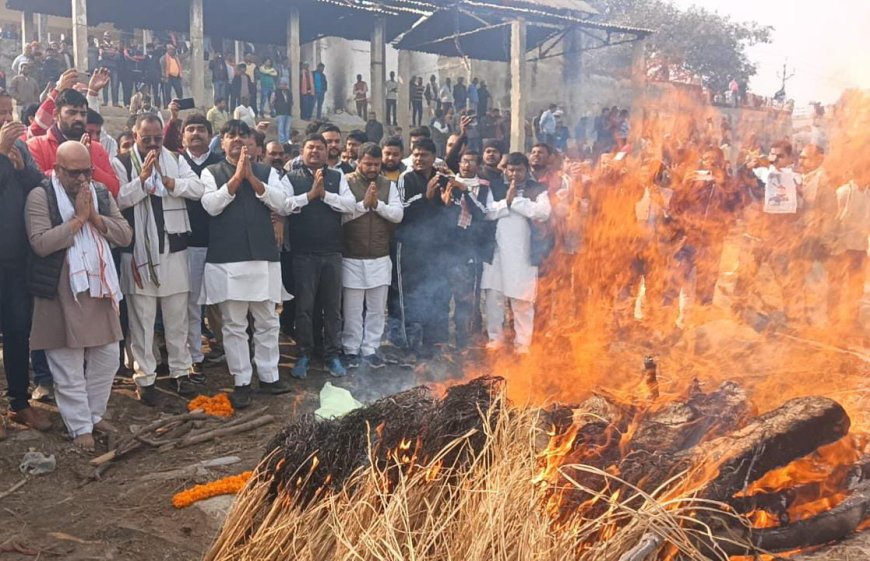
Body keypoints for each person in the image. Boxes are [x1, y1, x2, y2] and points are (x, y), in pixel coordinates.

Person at [25, 142, 132, 451]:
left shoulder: (99, 192)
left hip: (99, 288)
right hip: (59, 291)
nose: (82, 179)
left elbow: (125, 234)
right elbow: (41, 243)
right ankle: (80, 426)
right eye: (74, 173)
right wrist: (77, 220)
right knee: (67, 365)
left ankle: (94, 415)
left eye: (87, 171)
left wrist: (95, 218)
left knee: (108, 358)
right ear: (57, 170)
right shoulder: (40, 195)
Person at [200, 120, 295, 408]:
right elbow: (211, 205)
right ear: (222, 141)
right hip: (228, 260)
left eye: (243, 135)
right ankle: (241, 380)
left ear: (253, 141)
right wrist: (236, 179)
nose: (238, 140)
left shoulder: (268, 172)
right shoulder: (211, 172)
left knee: (267, 320)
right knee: (234, 324)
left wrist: (253, 180)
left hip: (264, 258)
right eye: (231, 136)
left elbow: (282, 204)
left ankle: (268, 376)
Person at [113, 114, 205, 404]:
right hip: (138, 252)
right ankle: (146, 378)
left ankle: (180, 372)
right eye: (146, 138)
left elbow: (198, 189)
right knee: (142, 320)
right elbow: (118, 200)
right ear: (135, 135)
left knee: (177, 317)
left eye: (157, 138)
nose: (152, 144)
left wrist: (168, 181)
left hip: (173, 249)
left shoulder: (176, 160)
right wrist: (142, 181)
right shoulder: (122, 162)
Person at [286, 133, 358, 379]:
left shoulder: (337, 177)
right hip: (303, 253)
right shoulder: (291, 177)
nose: (315, 151)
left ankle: (332, 355)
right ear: (302, 151)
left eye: (319, 148)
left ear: (327, 152)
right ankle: (305, 353)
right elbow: (283, 205)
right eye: (310, 147)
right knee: (304, 308)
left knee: (332, 308)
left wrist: (324, 195)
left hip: (332, 252)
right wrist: (309, 196)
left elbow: (350, 206)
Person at [0, 90, 50, 434]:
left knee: (19, 331)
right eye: (0, 113)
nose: (6, 120)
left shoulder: (19, 150)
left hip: (16, 261)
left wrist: (20, 169)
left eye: (8, 112)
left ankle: (19, 403)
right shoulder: (6, 151)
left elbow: (40, 186)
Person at [340, 143, 403, 367]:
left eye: (376, 164)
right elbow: (342, 215)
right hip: (351, 254)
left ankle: (371, 348)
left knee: (377, 308)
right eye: (367, 163)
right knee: (353, 308)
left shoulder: (388, 184)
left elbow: (397, 215)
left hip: (379, 254)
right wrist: (363, 205)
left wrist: (377, 205)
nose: (372, 168)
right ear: (358, 162)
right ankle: (350, 349)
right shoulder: (346, 182)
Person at [481, 152, 551, 354]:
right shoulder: (495, 187)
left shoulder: (537, 189)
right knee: (493, 296)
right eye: (510, 170)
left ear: (526, 170)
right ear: (505, 170)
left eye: (519, 170)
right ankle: (496, 338)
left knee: (522, 299)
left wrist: (516, 202)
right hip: (496, 252)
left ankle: (522, 343)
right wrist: (505, 202)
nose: (514, 174)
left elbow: (543, 212)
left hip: (523, 253)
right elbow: (487, 212)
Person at [395, 138, 449, 357]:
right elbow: (400, 210)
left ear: (434, 157)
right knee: (411, 295)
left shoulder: (443, 179)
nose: (419, 159)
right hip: (410, 247)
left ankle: (434, 342)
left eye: (424, 155)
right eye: (416, 155)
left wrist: (448, 201)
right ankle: (409, 343)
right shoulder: (405, 178)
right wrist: (424, 197)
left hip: (435, 246)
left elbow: (451, 208)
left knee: (436, 292)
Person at [180, 114, 224, 375]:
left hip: (220, 244)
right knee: (192, 303)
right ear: (182, 135)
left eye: (201, 129)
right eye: (190, 129)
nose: (196, 133)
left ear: (210, 134)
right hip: (187, 244)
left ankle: (228, 351)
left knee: (223, 303)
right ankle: (195, 353)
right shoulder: (176, 163)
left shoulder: (220, 164)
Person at [27, 89, 120, 197]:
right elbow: (35, 184)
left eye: (83, 114)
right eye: (72, 113)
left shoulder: (96, 148)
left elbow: (114, 190)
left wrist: (90, 166)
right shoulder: (36, 146)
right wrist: (73, 163)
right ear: (56, 114)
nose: (79, 118)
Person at [828, 175, 869, 331]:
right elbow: (832, 219)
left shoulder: (868, 194)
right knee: (836, 285)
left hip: (860, 248)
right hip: (842, 247)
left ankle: (851, 320)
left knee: (856, 287)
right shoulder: (844, 192)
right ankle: (833, 320)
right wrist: (833, 244)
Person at [272, 78, 293, 144]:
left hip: (288, 112)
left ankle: (286, 141)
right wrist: (273, 110)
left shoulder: (289, 92)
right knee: (281, 128)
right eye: (283, 84)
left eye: (285, 84)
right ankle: (282, 142)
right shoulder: (276, 92)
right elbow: (272, 101)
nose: (284, 85)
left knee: (287, 128)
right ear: (279, 84)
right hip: (280, 112)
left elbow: (292, 101)